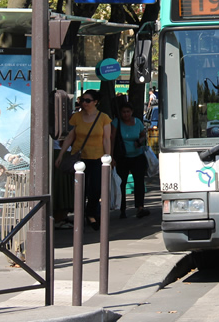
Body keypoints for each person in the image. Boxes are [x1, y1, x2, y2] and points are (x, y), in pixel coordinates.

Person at [55, 89, 112, 231]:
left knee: (96, 189)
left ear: (95, 102)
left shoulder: (104, 118)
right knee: (81, 189)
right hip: (79, 158)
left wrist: (108, 158)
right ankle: (83, 216)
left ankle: (90, 213)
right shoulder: (77, 117)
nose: (84, 103)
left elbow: (106, 139)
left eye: (87, 100)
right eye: (82, 100)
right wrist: (61, 154)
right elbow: (70, 137)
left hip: (97, 157)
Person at [110, 101, 149, 219]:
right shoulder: (117, 122)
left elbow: (143, 135)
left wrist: (140, 141)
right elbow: (111, 139)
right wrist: (111, 157)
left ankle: (140, 207)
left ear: (132, 112)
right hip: (122, 157)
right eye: (123, 112)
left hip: (137, 156)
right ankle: (122, 209)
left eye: (128, 112)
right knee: (122, 183)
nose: (126, 114)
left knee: (139, 182)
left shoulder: (137, 122)